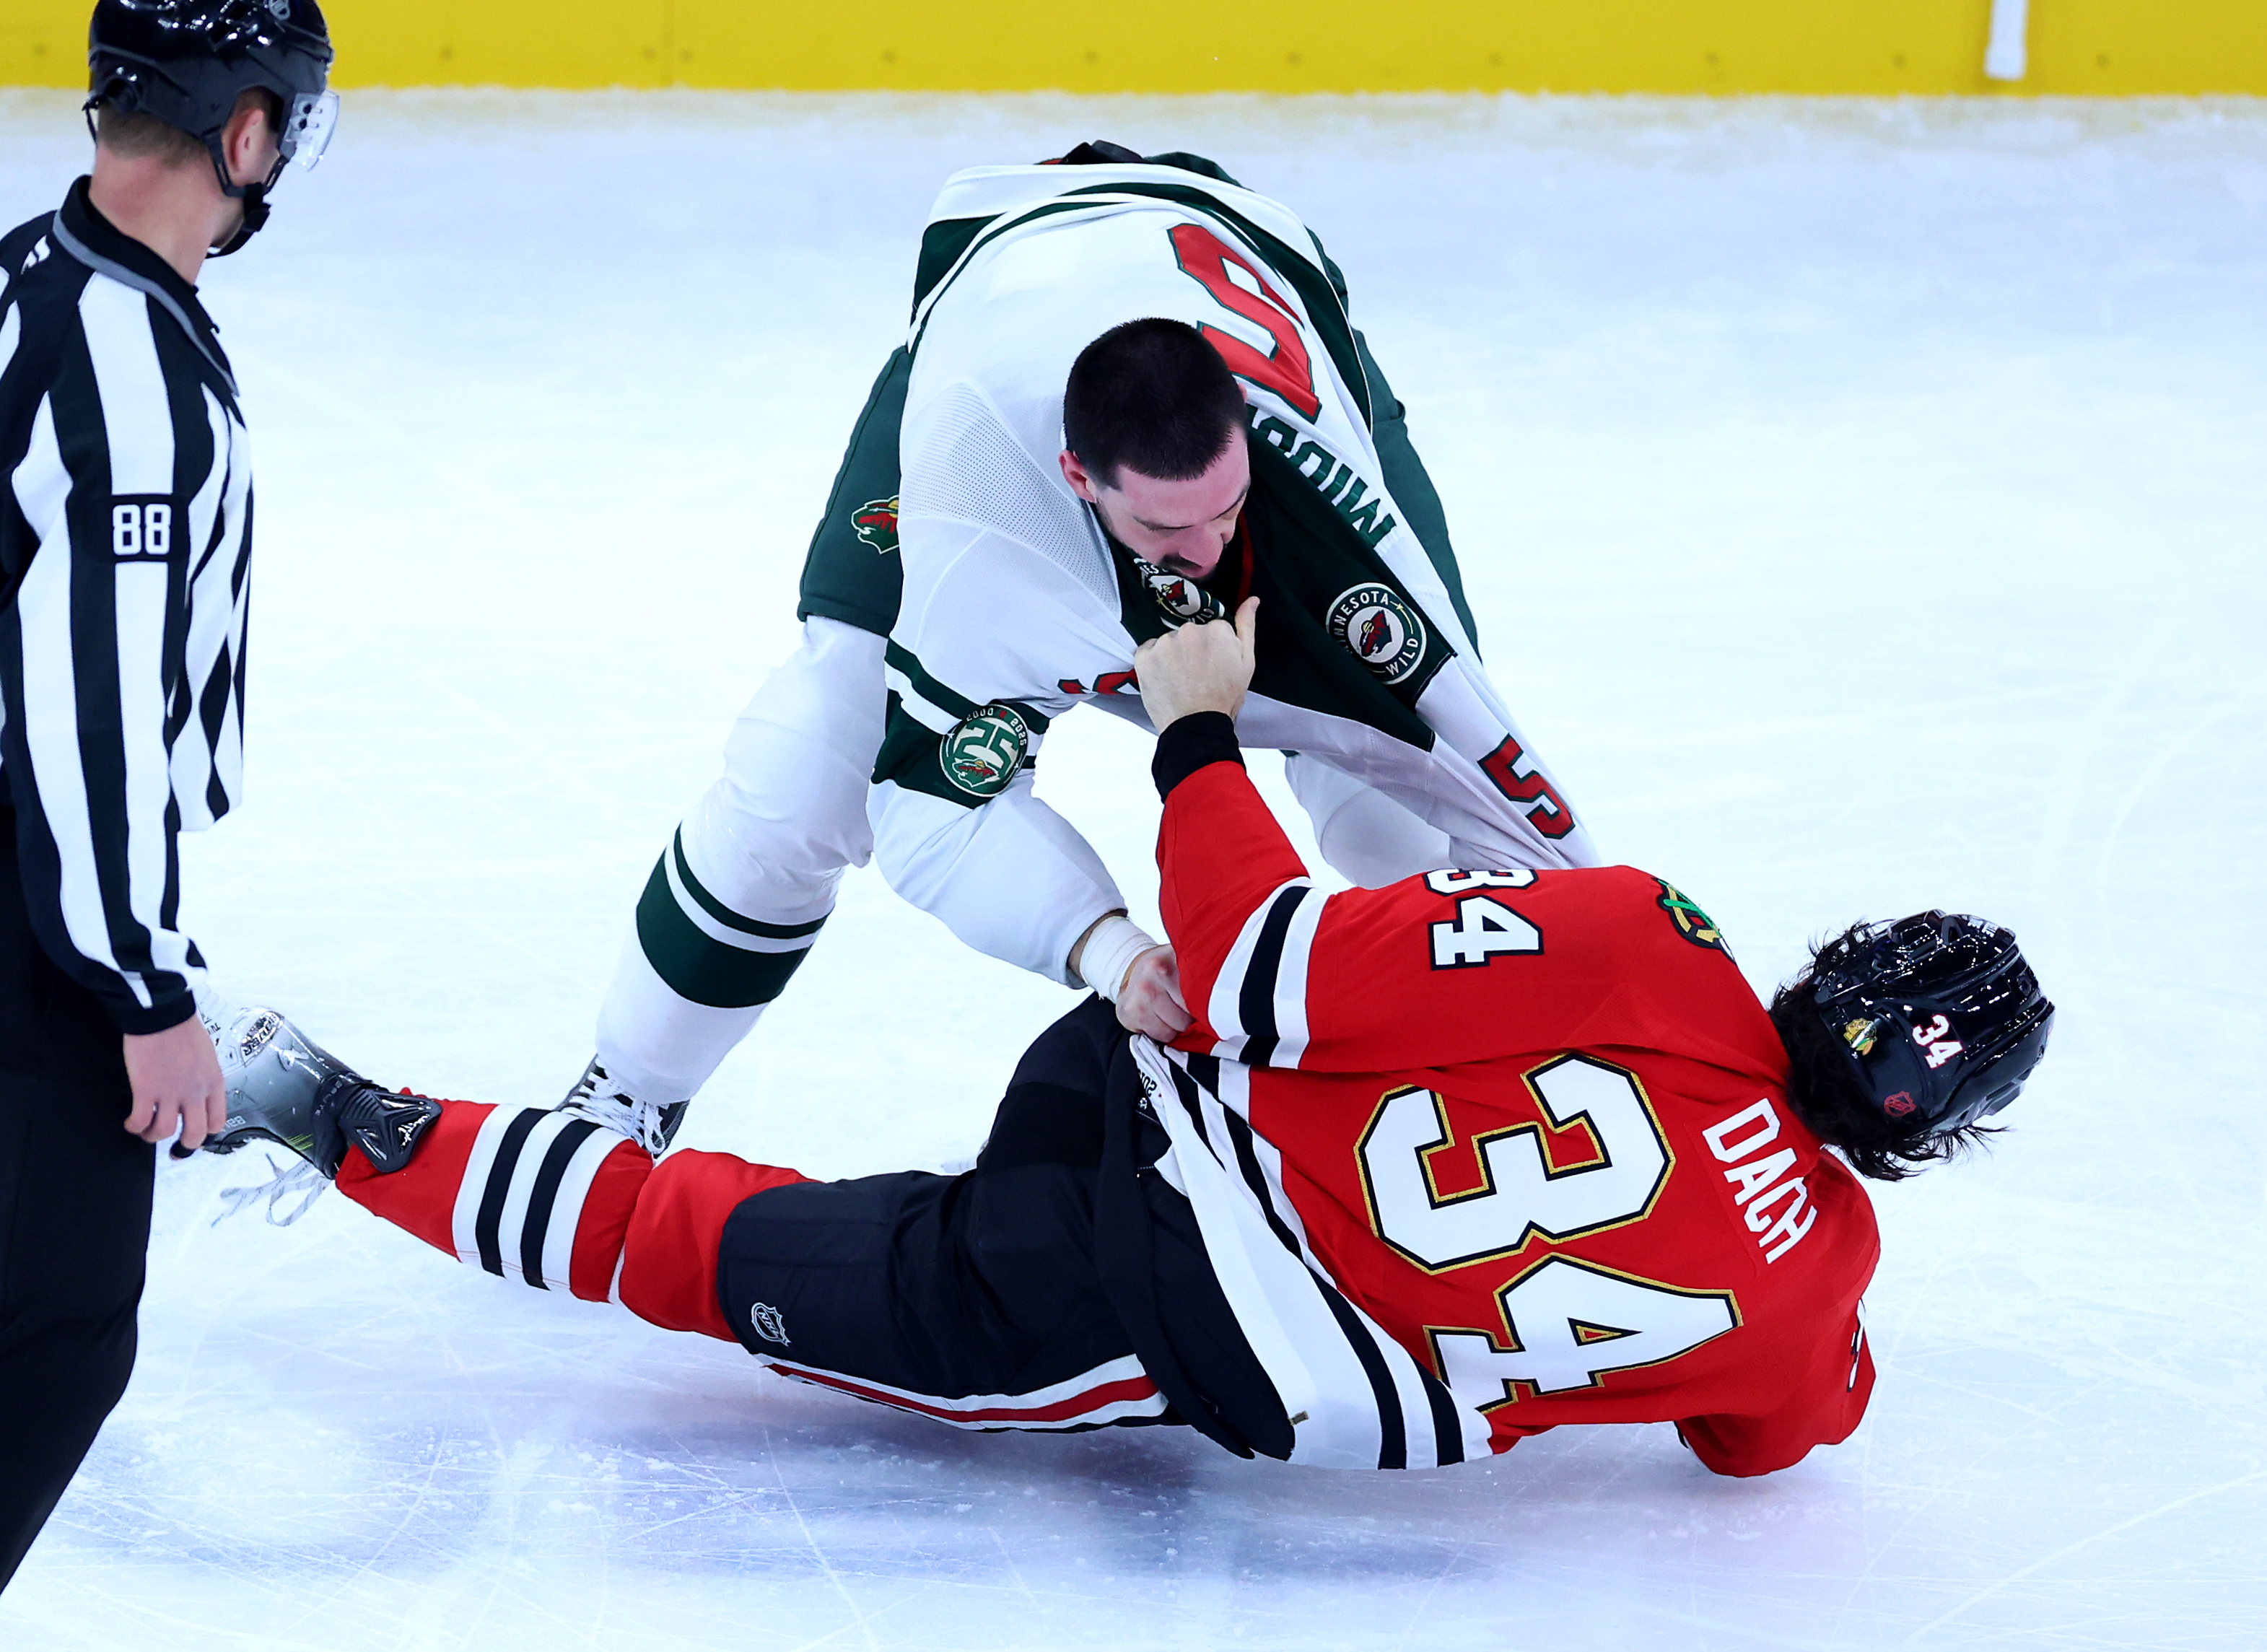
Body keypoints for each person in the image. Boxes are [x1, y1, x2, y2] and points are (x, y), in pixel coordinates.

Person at [201, 600, 2053, 1475]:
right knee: (689, 1243)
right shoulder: (1819, 1293)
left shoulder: (1648, 937)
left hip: (1141, 1084)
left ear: (1832, 969)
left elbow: (1261, 967)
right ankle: (335, 1115)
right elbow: (1768, 1442)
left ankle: (386, 1120)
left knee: (832, 1181)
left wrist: (1193, 733)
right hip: (1136, 1304)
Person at [564, 142, 1599, 1154]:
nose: (1200, 561)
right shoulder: (987, 508)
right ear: (1076, 475)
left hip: (1255, 298)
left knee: (1396, 833)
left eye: (1224, 512)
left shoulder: (1336, 539)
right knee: (819, 752)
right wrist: (1112, 953)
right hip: (997, 309)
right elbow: (933, 806)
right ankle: (624, 1094)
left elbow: (1539, 850)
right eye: (1161, 533)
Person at [0, 0, 336, 1589]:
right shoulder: (133, 385)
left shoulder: (30, 269)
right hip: (40, 909)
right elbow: (90, 718)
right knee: (57, 1327)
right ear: (245, 130)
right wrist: (143, 988)